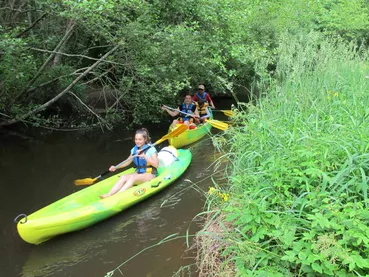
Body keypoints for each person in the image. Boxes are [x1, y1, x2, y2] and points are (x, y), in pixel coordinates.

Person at [99, 128, 159, 199]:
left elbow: (156, 165)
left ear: (145, 139)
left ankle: (116, 196)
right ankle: (109, 194)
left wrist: (145, 156)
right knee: (123, 177)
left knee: (133, 178)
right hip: (139, 172)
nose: (137, 141)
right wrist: (116, 167)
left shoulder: (151, 149)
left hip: (150, 174)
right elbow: (127, 162)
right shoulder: (134, 150)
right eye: (136, 139)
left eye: (140, 139)